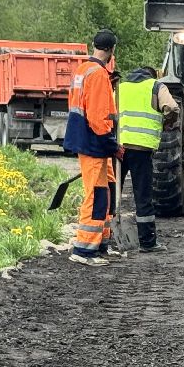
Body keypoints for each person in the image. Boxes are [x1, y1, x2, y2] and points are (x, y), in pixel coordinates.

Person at [63, 30, 122, 266]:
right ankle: (84, 248)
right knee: (96, 194)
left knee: (105, 189)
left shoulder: (82, 70)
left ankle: (100, 243)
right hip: (94, 142)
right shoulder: (98, 74)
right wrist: (112, 144)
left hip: (86, 140)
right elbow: (98, 119)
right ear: (112, 50)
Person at [116, 65, 180, 253]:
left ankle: (104, 238)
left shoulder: (121, 87)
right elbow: (172, 108)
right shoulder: (156, 86)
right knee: (142, 195)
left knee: (112, 193)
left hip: (118, 147)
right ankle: (147, 241)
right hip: (141, 148)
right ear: (152, 76)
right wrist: (167, 123)